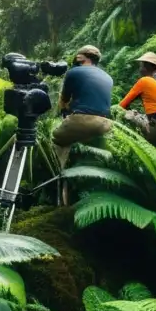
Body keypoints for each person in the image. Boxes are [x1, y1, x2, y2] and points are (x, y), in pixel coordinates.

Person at [52, 45, 113, 202]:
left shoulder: (74, 72)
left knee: (58, 139)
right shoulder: (108, 77)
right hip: (105, 124)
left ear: (81, 57)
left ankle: (61, 180)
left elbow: (64, 101)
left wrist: (65, 108)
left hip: (82, 121)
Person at [118, 52, 156, 147]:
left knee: (123, 114)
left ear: (147, 66)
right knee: (142, 115)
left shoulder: (145, 81)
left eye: (141, 64)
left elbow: (122, 105)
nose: (140, 68)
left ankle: (131, 146)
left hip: (155, 128)